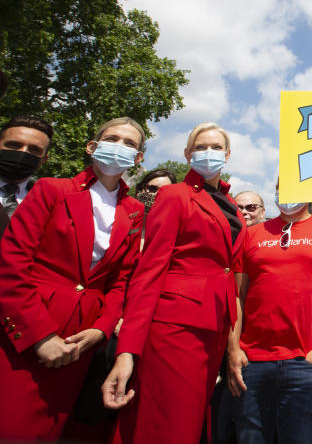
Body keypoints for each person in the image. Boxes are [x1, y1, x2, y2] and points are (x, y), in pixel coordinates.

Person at [0, 117, 145, 440]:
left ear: (138, 159)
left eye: (129, 144)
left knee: (50, 431)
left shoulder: (134, 210)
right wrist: (38, 335)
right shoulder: (51, 190)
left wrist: (101, 329)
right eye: (113, 138)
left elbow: (121, 280)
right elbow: (11, 265)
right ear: (92, 146)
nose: (119, 146)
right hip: (26, 334)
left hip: (80, 344)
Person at [103, 122, 246, 443]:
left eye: (215, 147)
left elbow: (230, 276)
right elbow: (149, 272)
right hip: (173, 328)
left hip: (213, 330)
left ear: (228, 154)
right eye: (200, 147)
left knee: (190, 421)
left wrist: (232, 343)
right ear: (187, 154)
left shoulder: (233, 206)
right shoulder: (173, 195)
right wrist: (127, 350)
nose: (208, 153)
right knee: (165, 423)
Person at [227, 189, 312, 443]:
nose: (286, 194)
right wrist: (234, 349)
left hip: (305, 363)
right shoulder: (252, 235)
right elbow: (237, 295)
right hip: (252, 362)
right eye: (280, 188)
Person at [0, 115, 54, 221]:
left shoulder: (48, 204)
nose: (23, 152)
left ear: (44, 160)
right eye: (14, 145)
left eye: (34, 149)